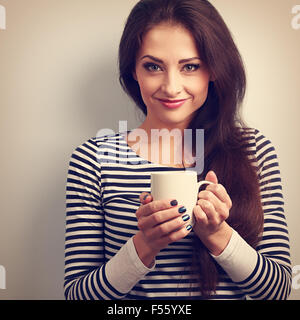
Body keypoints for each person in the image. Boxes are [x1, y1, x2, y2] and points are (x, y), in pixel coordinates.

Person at [64, 0, 291, 299]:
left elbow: (278, 290)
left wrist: (216, 234)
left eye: (190, 66)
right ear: (134, 70)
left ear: (213, 69)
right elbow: (77, 294)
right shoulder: (94, 160)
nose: (171, 87)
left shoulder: (252, 150)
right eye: (153, 66)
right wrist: (146, 245)